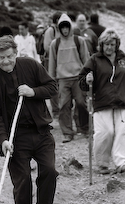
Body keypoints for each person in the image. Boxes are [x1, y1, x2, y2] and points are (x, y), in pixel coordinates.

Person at [0, 35, 59, 204]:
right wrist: (3, 140)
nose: (6, 61)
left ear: (16, 53)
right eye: (1, 58)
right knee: (23, 180)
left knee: (50, 171)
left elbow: (53, 87)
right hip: (15, 138)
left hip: (41, 131)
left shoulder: (31, 65)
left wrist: (33, 91)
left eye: (9, 56)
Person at [79, 28, 125, 174]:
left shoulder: (122, 59)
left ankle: (121, 162)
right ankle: (102, 163)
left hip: (121, 101)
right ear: (101, 45)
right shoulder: (94, 60)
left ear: (117, 44)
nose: (109, 47)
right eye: (106, 44)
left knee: (122, 130)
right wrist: (87, 80)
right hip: (101, 101)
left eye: (112, 44)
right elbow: (82, 81)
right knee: (106, 132)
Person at [49, 13, 90, 142]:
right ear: (59, 29)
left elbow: (86, 59)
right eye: (62, 27)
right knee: (64, 106)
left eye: (67, 27)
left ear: (70, 27)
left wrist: (89, 74)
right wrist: (51, 80)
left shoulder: (79, 41)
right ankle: (67, 132)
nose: (65, 30)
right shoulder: (55, 44)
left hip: (78, 78)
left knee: (81, 104)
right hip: (62, 79)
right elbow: (52, 63)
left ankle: (83, 128)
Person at [44, 11, 62, 118]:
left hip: (61, 61)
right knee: (53, 85)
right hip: (51, 61)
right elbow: (47, 46)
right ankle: (55, 110)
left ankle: (61, 108)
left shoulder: (64, 30)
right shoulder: (51, 30)